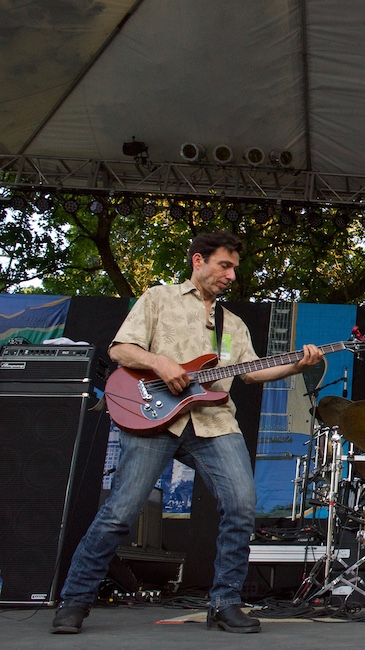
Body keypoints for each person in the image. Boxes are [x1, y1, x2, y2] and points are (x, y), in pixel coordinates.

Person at [51, 232, 324, 635]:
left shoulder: (232, 324)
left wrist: (297, 366)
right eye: (224, 265)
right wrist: (160, 363)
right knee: (120, 512)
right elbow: (121, 350)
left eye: (234, 268)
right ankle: (75, 600)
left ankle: (225, 603)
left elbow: (249, 372)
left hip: (213, 423)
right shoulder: (159, 298)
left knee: (242, 505)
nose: (231, 275)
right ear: (199, 260)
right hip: (154, 416)